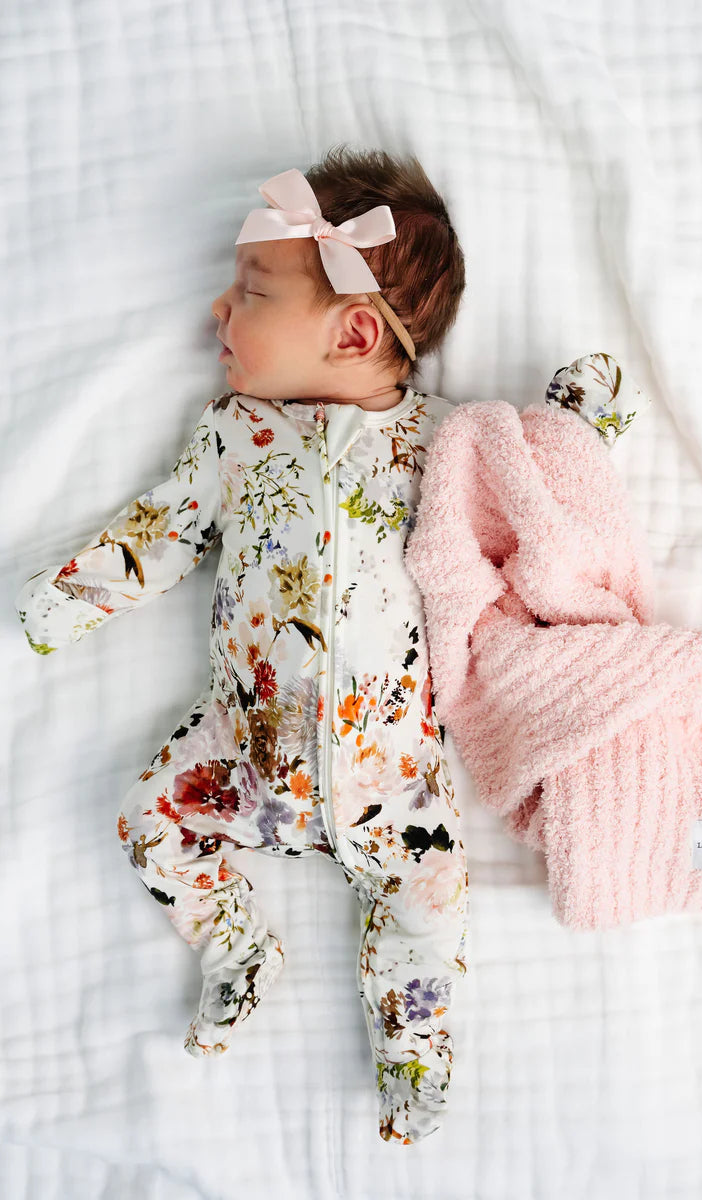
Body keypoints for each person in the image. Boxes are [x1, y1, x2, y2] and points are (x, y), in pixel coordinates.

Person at [14, 146, 468, 1146]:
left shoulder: (444, 444)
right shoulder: (234, 436)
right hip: (239, 755)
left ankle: (416, 1062)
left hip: (394, 781)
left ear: (355, 332)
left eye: (252, 290)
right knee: (148, 821)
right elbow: (160, 535)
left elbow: (528, 502)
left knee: (429, 904)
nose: (217, 311)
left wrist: (582, 424)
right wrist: (56, 606)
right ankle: (236, 948)